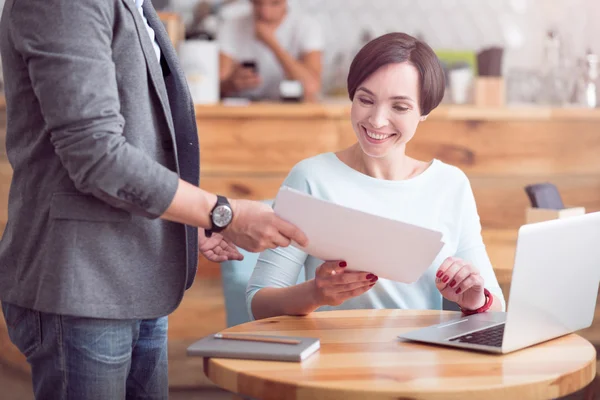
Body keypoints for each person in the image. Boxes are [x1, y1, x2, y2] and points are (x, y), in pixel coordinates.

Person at [0, 1, 306, 399]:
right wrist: (221, 213)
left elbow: (138, 139)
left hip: (136, 271)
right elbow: (97, 155)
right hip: (82, 282)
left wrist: (182, 218)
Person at [246, 32, 506, 321]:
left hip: (421, 358)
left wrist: (474, 300)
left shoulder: (449, 185)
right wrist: (315, 294)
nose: (377, 120)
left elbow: (496, 308)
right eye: (366, 100)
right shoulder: (312, 177)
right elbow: (259, 304)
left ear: (424, 111)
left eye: (400, 107)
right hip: (331, 359)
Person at [218, 0, 323, 101]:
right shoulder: (232, 25)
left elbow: (311, 87)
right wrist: (232, 84)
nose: (265, 12)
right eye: (258, 3)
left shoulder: (307, 26)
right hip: (243, 109)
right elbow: (217, 86)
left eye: (275, 3)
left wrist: (271, 43)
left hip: (289, 110)